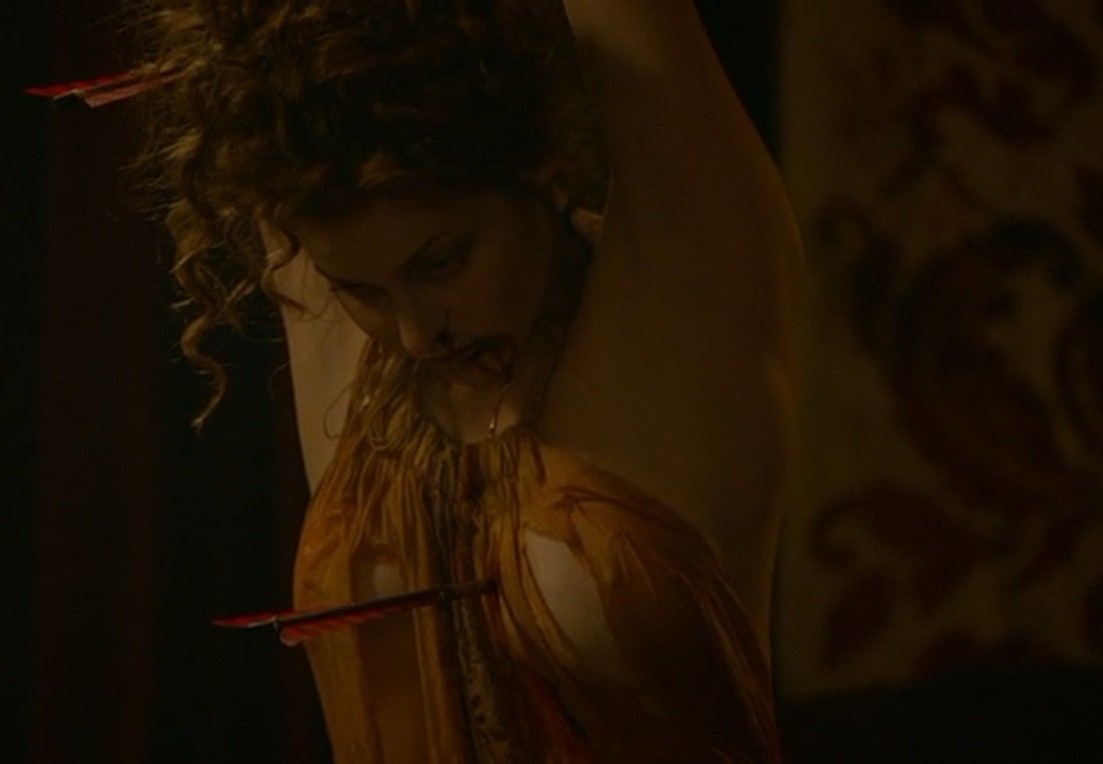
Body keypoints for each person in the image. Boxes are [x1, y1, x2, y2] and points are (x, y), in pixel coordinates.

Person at [141, 0, 799, 760]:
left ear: (540, 168)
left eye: (443, 263)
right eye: (360, 291)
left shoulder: (676, 317)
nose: (416, 334)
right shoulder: (360, 358)